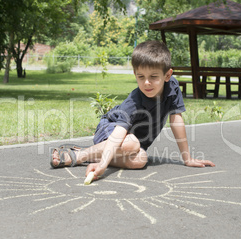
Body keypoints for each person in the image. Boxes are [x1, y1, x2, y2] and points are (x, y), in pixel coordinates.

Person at [50, 40, 215, 181]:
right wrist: (102, 166)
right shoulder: (134, 101)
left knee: (141, 160)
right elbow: (118, 135)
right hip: (110, 129)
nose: (147, 83)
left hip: (132, 145)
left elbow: (176, 120)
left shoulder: (172, 87)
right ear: (135, 74)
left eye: (154, 77)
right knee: (132, 143)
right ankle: (80, 156)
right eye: (141, 77)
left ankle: (96, 153)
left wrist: (187, 158)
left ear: (167, 75)